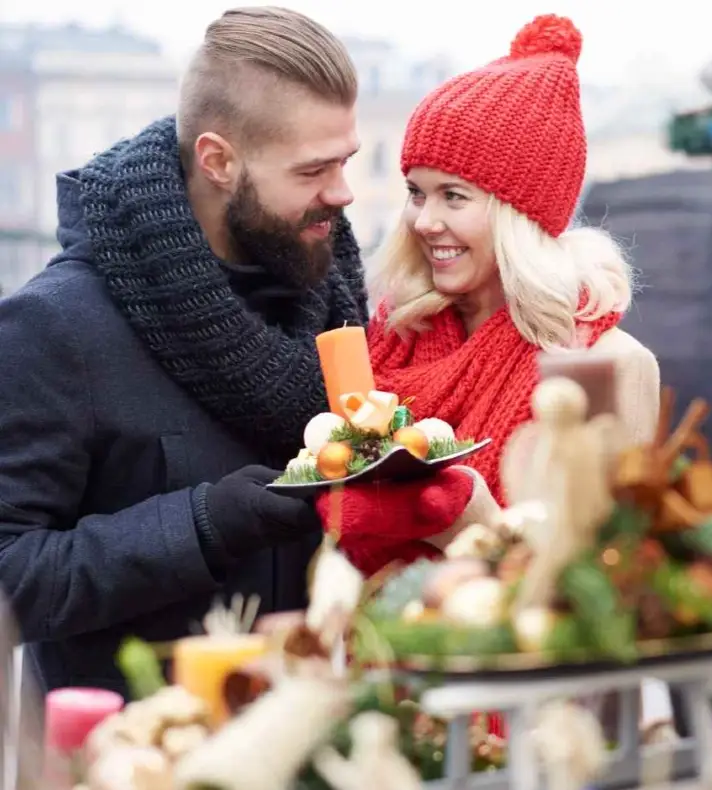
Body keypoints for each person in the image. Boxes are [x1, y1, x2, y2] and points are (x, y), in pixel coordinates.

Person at [0, 7, 366, 696]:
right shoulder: (53, 326)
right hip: (138, 755)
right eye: (314, 169)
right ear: (218, 160)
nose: (343, 192)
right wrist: (198, 526)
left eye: (345, 160)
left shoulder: (333, 296)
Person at [315, 14, 660, 576]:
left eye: (453, 196)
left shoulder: (608, 366)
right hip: (371, 653)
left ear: (519, 214)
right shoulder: (392, 340)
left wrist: (472, 519)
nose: (424, 222)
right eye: (416, 192)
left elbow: (603, 582)